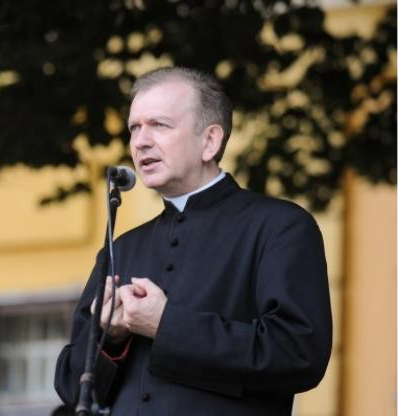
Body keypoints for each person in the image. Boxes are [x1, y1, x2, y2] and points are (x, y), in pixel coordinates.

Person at [54, 67, 332, 415]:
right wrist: (110, 337)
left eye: (159, 125)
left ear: (210, 141)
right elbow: (72, 389)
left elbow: (298, 354)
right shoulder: (122, 247)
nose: (140, 141)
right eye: (134, 128)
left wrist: (166, 325)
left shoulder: (279, 227)